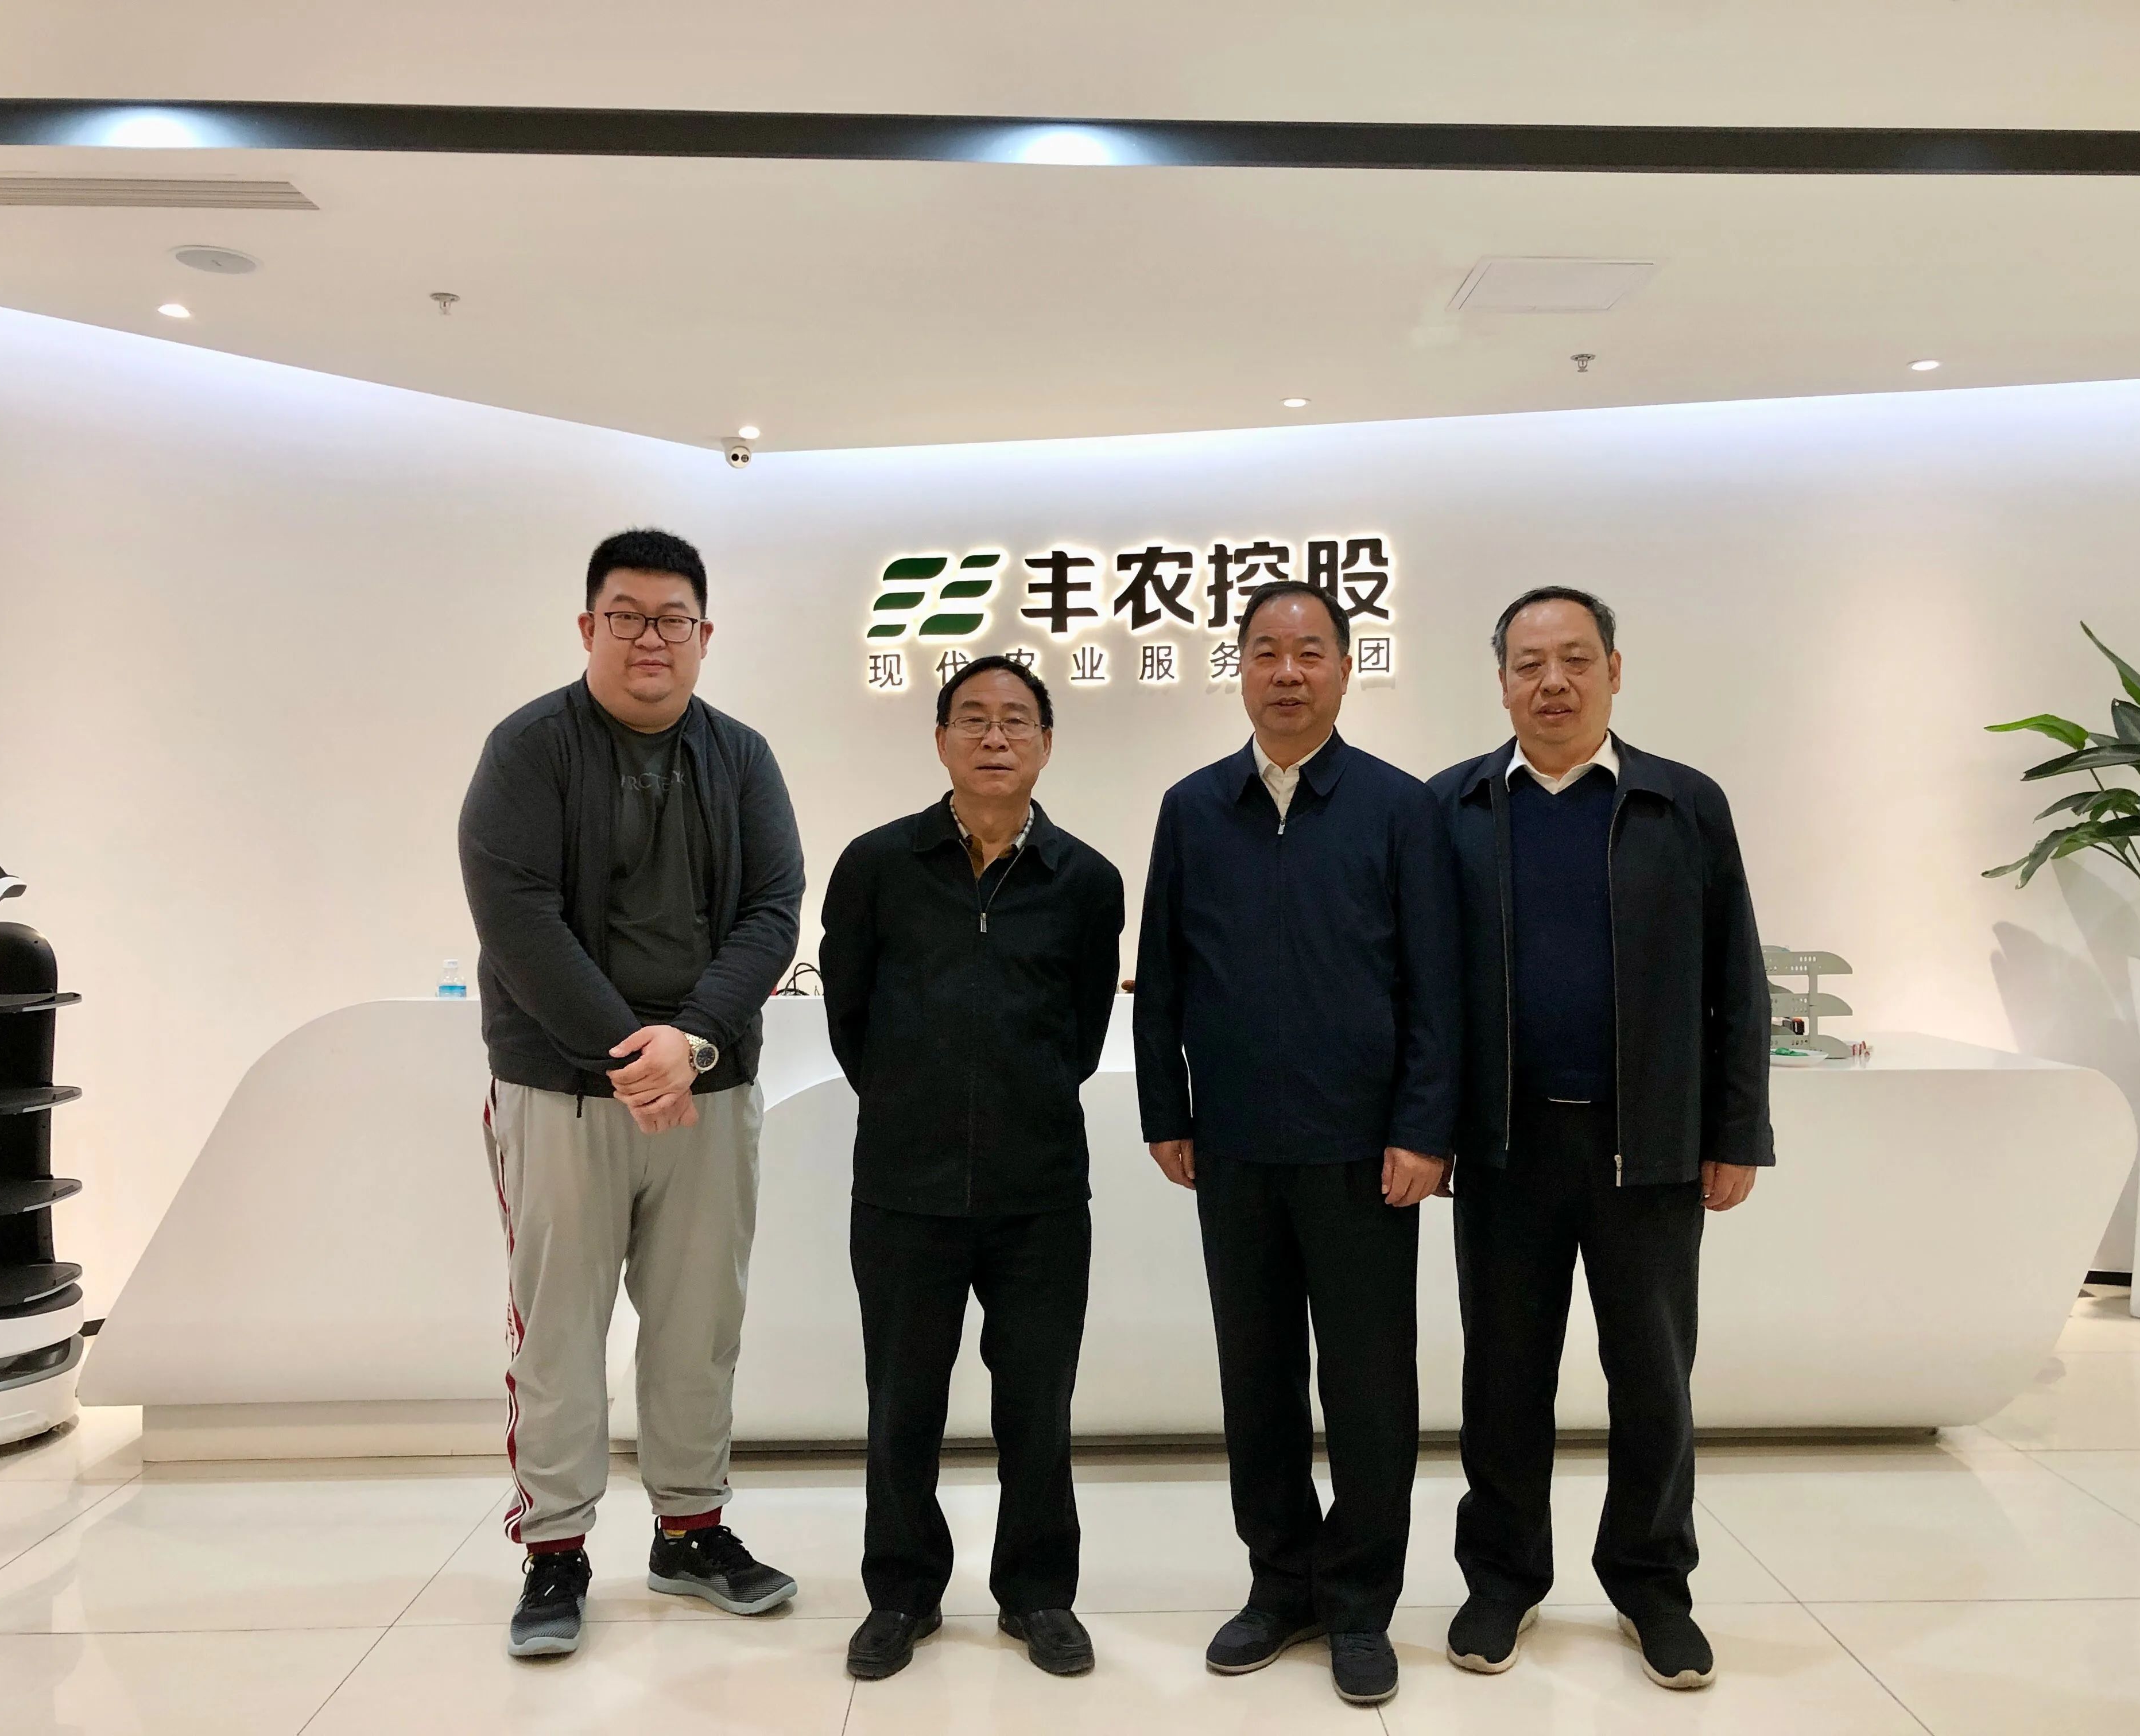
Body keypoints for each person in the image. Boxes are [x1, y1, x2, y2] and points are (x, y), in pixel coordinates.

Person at [459, 528, 805, 1659]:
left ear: (705, 636)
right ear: (587, 626)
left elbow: (773, 909)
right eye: (626, 616)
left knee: (699, 1326)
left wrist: (691, 1042)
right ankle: (554, 1552)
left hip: (709, 1088)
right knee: (558, 1329)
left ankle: (691, 1533)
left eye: (672, 620)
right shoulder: (529, 751)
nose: (650, 638)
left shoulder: (742, 757)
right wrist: (629, 1053)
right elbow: (517, 917)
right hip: (561, 1091)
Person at [1430, 586, 1771, 1691]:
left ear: (1615, 672)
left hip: (1649, 1148)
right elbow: (1420, 989)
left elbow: (1737, 978)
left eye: (1576, 659)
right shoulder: (1454, 807)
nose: (1554, 683)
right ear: (1501, 683)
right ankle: (1502, 1578)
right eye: (1530, 664)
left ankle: (1652, 1585)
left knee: (1655, 1379)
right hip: (1505, 1149)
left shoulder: (1682, 803)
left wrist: (1737, 1130)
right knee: (1504, 1379)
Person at [1134, 581, 1460, 1708]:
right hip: (1234, 1148)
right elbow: (1163, 974)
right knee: (1257, 1378)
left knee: (1370, 1385)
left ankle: (1360, 1601)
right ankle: (1281, 1585)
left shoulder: (1398, 808)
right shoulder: (1193, 808)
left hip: (1364, 1153)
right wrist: (1167, 1112)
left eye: (1310, 651)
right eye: (1266, 651)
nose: (1287, 671)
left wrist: (1424, 1127)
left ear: (1344, 670)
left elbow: (1437, 985)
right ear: (1240, 669)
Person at [821, 654, 1125, 1683]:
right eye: (974, 719)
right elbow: (851, 1019)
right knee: (902, 1403)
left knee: (1037, 1407)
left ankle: (1038, 1594)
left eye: (1017, 720)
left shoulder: (1087, 880)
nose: (996, 737)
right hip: (902, 1189)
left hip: (1040, 1192)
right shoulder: (877, 865)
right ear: (941, 739)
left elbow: (1083, 1031)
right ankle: (902, 1595)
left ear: (1047, 742)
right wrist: (915, 1104)